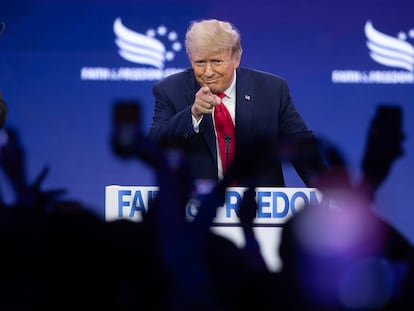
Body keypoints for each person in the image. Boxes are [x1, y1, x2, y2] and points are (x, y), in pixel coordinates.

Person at [149, 18, 326, 187]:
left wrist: (330, 191)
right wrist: (192, 115)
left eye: (217, 61)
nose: (208, 72)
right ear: (190, 58)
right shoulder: (170, 90)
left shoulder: (271, 90)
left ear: (236, 58)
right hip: (198, 210)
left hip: (259, 209)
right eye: (200, 62)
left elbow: (301, 147)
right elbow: (154, 147)